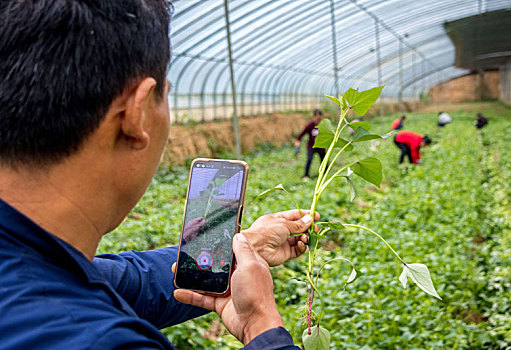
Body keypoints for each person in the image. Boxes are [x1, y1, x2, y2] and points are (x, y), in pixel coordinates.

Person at [0, 1, 315, 349]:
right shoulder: (102, 340)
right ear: (136, 115)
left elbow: (120, 281)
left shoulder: (32, 266)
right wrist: (261, 324)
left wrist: (241, 248)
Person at [295, 109, 326, 179]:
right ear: (314, 118)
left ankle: (325, 175)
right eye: (317, 119)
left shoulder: (324, 125)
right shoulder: (310, 125)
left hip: (321, 147)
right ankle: (306, 176)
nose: (318, 121)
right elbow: (299, 136)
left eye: (320, 119)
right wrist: (297, 148)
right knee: (309, 160)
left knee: (324, 161)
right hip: (311, 146)